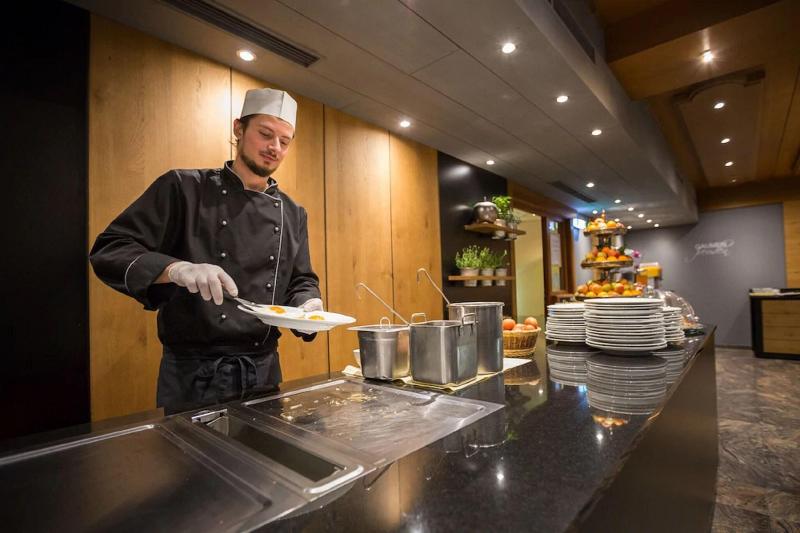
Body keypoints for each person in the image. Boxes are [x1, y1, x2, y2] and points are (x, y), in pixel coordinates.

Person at [90, 88, 322, 414]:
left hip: (263, 373)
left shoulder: (293, 213)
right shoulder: (183, 188)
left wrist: (307, 305)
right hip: (194, 378)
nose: (275, 147)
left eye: (285, 141)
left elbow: (301, 280)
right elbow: (111, 248)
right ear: (238, 128)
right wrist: (175, 269)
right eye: (265, 134)